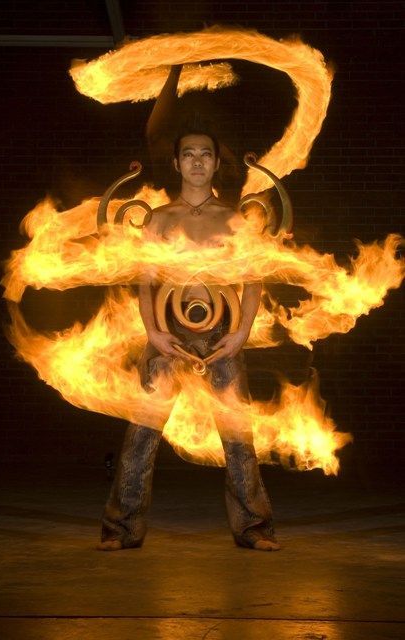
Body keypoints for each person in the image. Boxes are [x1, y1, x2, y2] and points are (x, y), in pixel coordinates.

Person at [97, 128, 280, 552]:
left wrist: (240, 334)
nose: (197, 161)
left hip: (222, 332)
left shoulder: (234, 219)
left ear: (216, 164)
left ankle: (254, 529)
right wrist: (154, 333)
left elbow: (253, 281)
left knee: (237, 434)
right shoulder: (160, 218)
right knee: (142, 434)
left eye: (205, 154)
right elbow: (145, 282)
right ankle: (120, 530)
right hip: (169, 332)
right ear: (177, 163)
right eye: (189, 154)